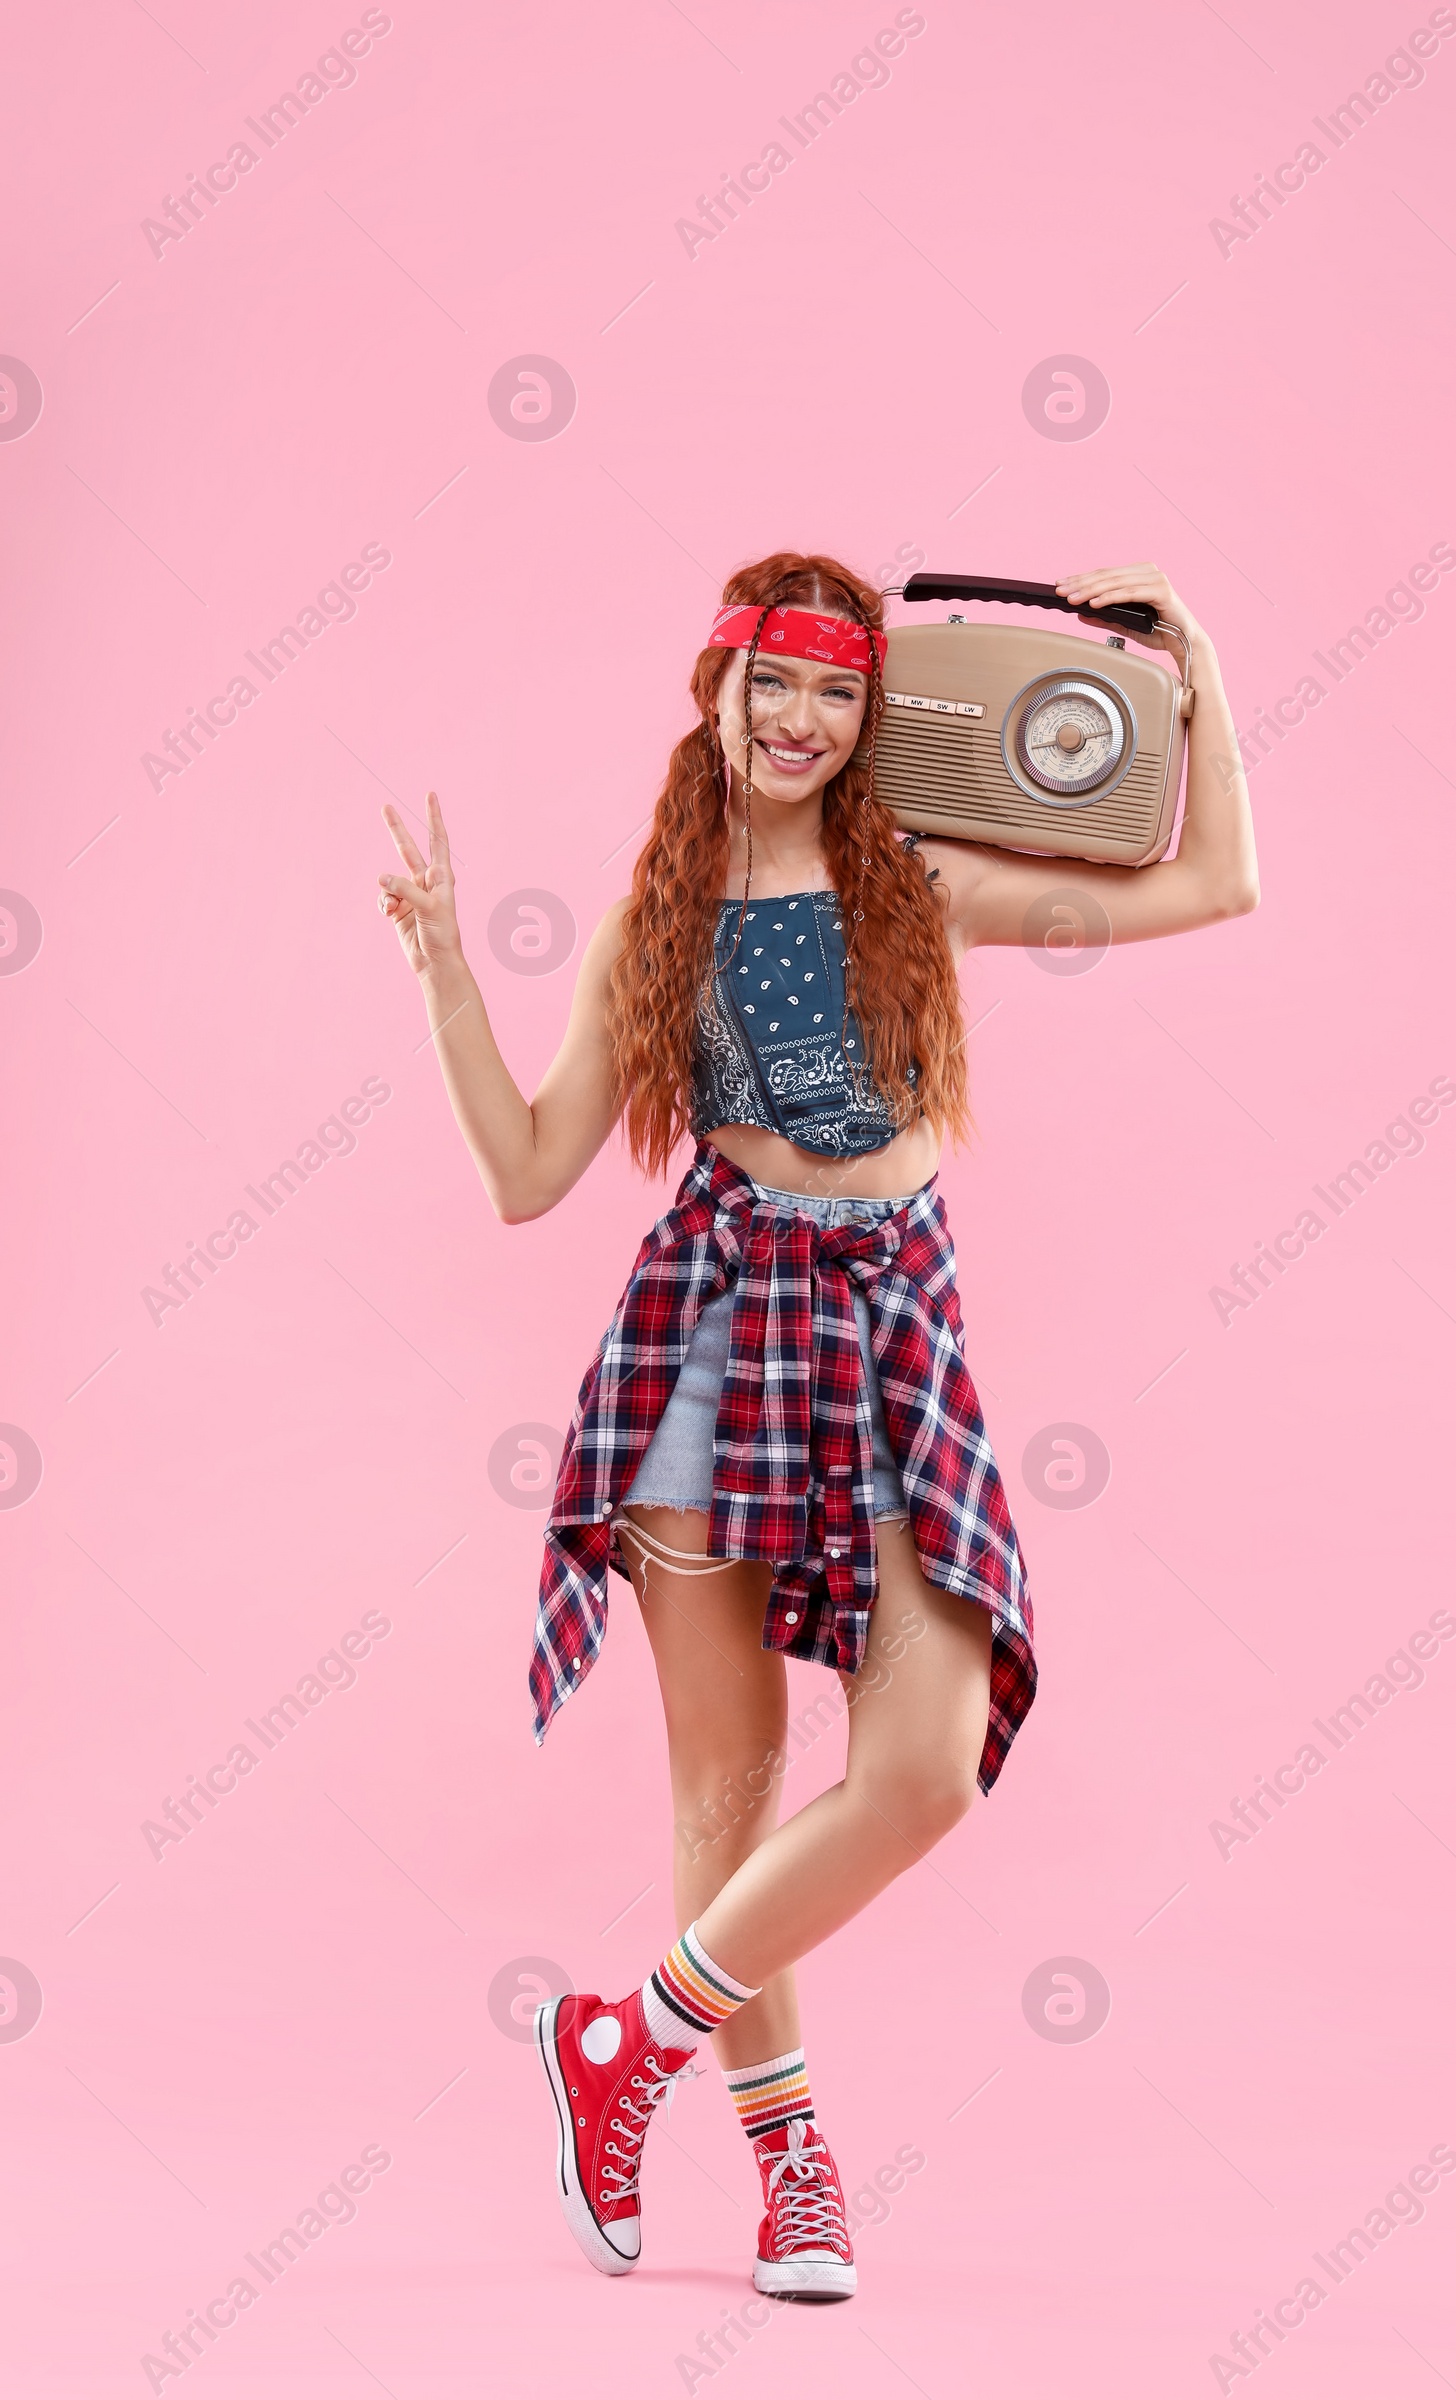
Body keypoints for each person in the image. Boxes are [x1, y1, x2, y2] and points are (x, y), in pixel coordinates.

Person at [375, 550, 1259, 2300]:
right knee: (732, 1784)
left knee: (923, 1766)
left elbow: (1216, 881)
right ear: (713, 692)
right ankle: (793, 2174)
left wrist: (1197, 672)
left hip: (895, 1337)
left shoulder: (917, 882)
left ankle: (620, 2041)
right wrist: (443, 978)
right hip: (714, 1341)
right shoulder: (655, 924)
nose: (799, 719)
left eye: (836, 691)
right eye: (770, 683)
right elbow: (528, 1177)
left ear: (870, 715)